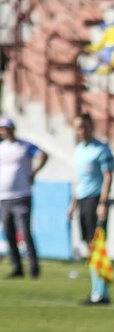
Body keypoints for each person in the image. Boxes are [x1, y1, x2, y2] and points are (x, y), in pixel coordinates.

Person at [67, 113, 114, 305]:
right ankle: (96, 290)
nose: (81, 131)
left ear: (91, 127)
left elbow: (108, 176)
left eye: (84, 127)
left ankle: (101, 292)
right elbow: (79, 180)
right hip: (83, 200)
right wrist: (73, 204)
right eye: (78, 127)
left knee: (97, 245)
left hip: (96, 200)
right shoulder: (79, 150)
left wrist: (103, 202)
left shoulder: (101, 149)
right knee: (89, 246)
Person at [0, 116, 47, 278]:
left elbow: (42, 154)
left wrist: (34, 173)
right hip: (4, 197)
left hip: (22, 195)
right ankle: (17, 267)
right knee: (9, 232)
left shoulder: (24, 146)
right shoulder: (1, 148)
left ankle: (33, 267)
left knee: (25, 231)